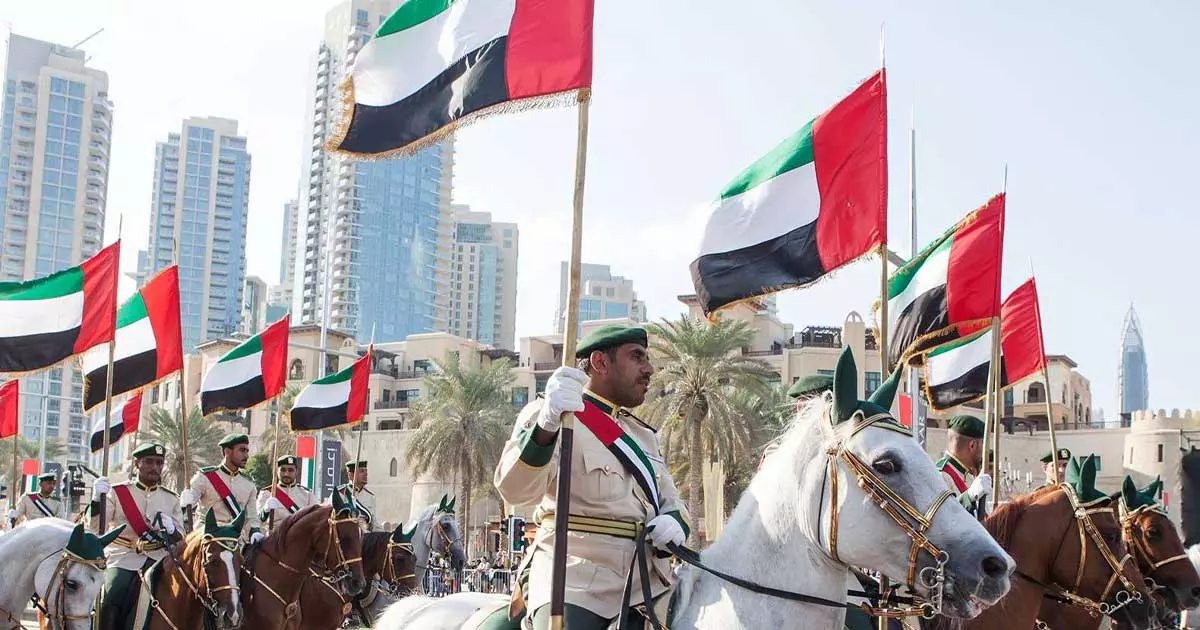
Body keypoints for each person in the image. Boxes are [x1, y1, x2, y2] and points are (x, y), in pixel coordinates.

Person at [492, 324, 690, 630]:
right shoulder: (555, 414)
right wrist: (547, 424)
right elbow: (515, 490)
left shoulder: (644, 437)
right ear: (600, 362)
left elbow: (672, 501)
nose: (649, 369)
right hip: (574, 580)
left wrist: (675, 522)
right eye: (637, 357)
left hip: (648, 583)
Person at [89, 443, 183, 630]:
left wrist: (171, 529)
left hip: (159, 559)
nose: (154, 467)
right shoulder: (117, 492)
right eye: (149, 462)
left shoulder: (171, 498)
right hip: (123, 556)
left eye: (159, 463)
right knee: (111, 593)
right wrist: (96, 500)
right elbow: (96, 528)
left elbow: (182, 540)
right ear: (137, 464)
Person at [182, 433, 263, 544]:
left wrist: (255, 532)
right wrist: (184, 502)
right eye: (242, 450)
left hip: (235, 538)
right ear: (227, 452)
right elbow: (185, 509)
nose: (246, 456)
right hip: (208, 537)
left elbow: (252, 516)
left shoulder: (248, 484)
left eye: (247, 451)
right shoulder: (205, 477)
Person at [935, 415, 990, 517]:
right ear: (972, 445)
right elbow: (941, 515)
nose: (984, 452)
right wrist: (968, 497)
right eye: (983, 444)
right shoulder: (941, 474)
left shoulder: (968, 474)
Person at [257, 454, 317, 531]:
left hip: (299, 535)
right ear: (277, 471)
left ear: (296, 472)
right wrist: (265, 510)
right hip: (274, 535)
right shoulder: (267, 493)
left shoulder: (307, 494)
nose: (286, 474)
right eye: (283, 470)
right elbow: (256, 520)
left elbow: (316, 520)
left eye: (290, 470)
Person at [337, 460, 374, 531]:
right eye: (362, 471)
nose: (366, 474)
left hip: (365, 534)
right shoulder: (340, 493)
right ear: (350, 475)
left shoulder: (370, 496)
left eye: (366, 471)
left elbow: (373, 523)